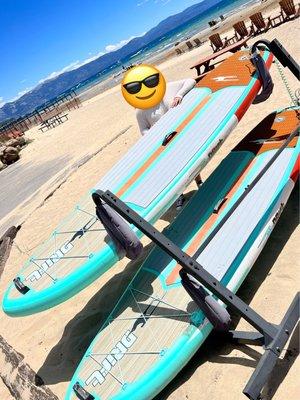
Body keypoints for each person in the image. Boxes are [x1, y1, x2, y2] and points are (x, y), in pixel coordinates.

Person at [136, 78, 202, 210]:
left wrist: (179, 94)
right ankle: (179, 196)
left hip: (179, 134)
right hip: (163, 144)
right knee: (171, 170)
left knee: (190, 159)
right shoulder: (140, 111)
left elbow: (190, 81)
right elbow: (143, 130)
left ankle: (200, 183)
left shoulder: (166, 90)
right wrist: (156, 133)